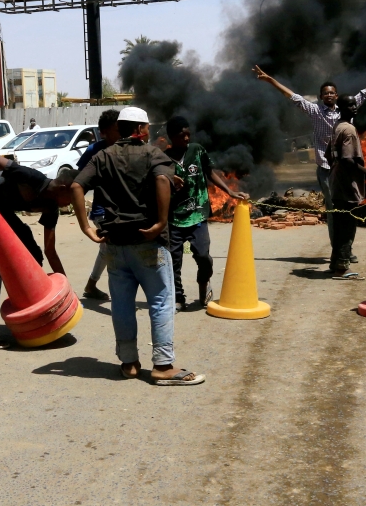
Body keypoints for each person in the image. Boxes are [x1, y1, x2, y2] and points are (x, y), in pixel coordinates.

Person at [71, 106, 205, 385]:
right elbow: (159, 179)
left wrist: (86, 227)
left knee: (121, 304)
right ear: (141, 130)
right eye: (147, 127)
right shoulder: (152, 153)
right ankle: (163, 366)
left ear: (119, 129)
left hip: (115, 245)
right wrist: (160, 222)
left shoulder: (102, 156)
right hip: (148, 242)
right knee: (161, 302)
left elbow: (76, 187)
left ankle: (129, 362)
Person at [253, 62, 366, 258]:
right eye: (326, 93)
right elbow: (292, 97)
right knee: (334, 209)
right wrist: (270, 80)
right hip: (327, 168)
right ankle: (339, 251)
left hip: (348, 169)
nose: (329, 95)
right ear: (320, 97)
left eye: (332, 92)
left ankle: (345, 250)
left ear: (337, 95)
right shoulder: (315, 112)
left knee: (349, 207)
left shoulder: (347, 108)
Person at [0, 150, 76, 348]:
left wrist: (65, 292)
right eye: (74, 196)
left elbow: (50, 251)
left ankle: (28, 304)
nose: (76, 202)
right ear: (63, 189)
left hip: (2, 211)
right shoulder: (31, 177)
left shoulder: (52, 207)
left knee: (33, 253)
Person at [165, 115, 249, 310]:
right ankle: (178, 297)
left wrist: (229, 191)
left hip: (198, 215)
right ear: (171, 137)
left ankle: (204, 284)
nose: (186, 139)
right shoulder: (163, 158)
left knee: (204, 257)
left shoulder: (197, 150)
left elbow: (209, 172)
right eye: (181, 135)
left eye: (188, 134)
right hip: (175, 218)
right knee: (173, 261)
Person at [326, 95, 366, 278]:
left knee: (340, 225)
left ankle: (335, 263)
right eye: (349, 105)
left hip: (337, 182)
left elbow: (328, 154)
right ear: (341, 108)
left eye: (355, 104)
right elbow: (347, 160)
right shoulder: (349, 130)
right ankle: (342, 268)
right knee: (347, 226)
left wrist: (334, 170)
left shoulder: (337, 127)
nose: (354, 107)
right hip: (346, 185)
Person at [76, 109, 123, 301]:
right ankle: (120, 294)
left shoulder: (127, 148)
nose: (120, 133)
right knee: (112, 250)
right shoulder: (94, 151)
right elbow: (79, 181)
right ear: (104, 132)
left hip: (124, 210)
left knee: (107, 250)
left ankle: (91, 285)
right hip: (102, 211)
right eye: (116, 130)